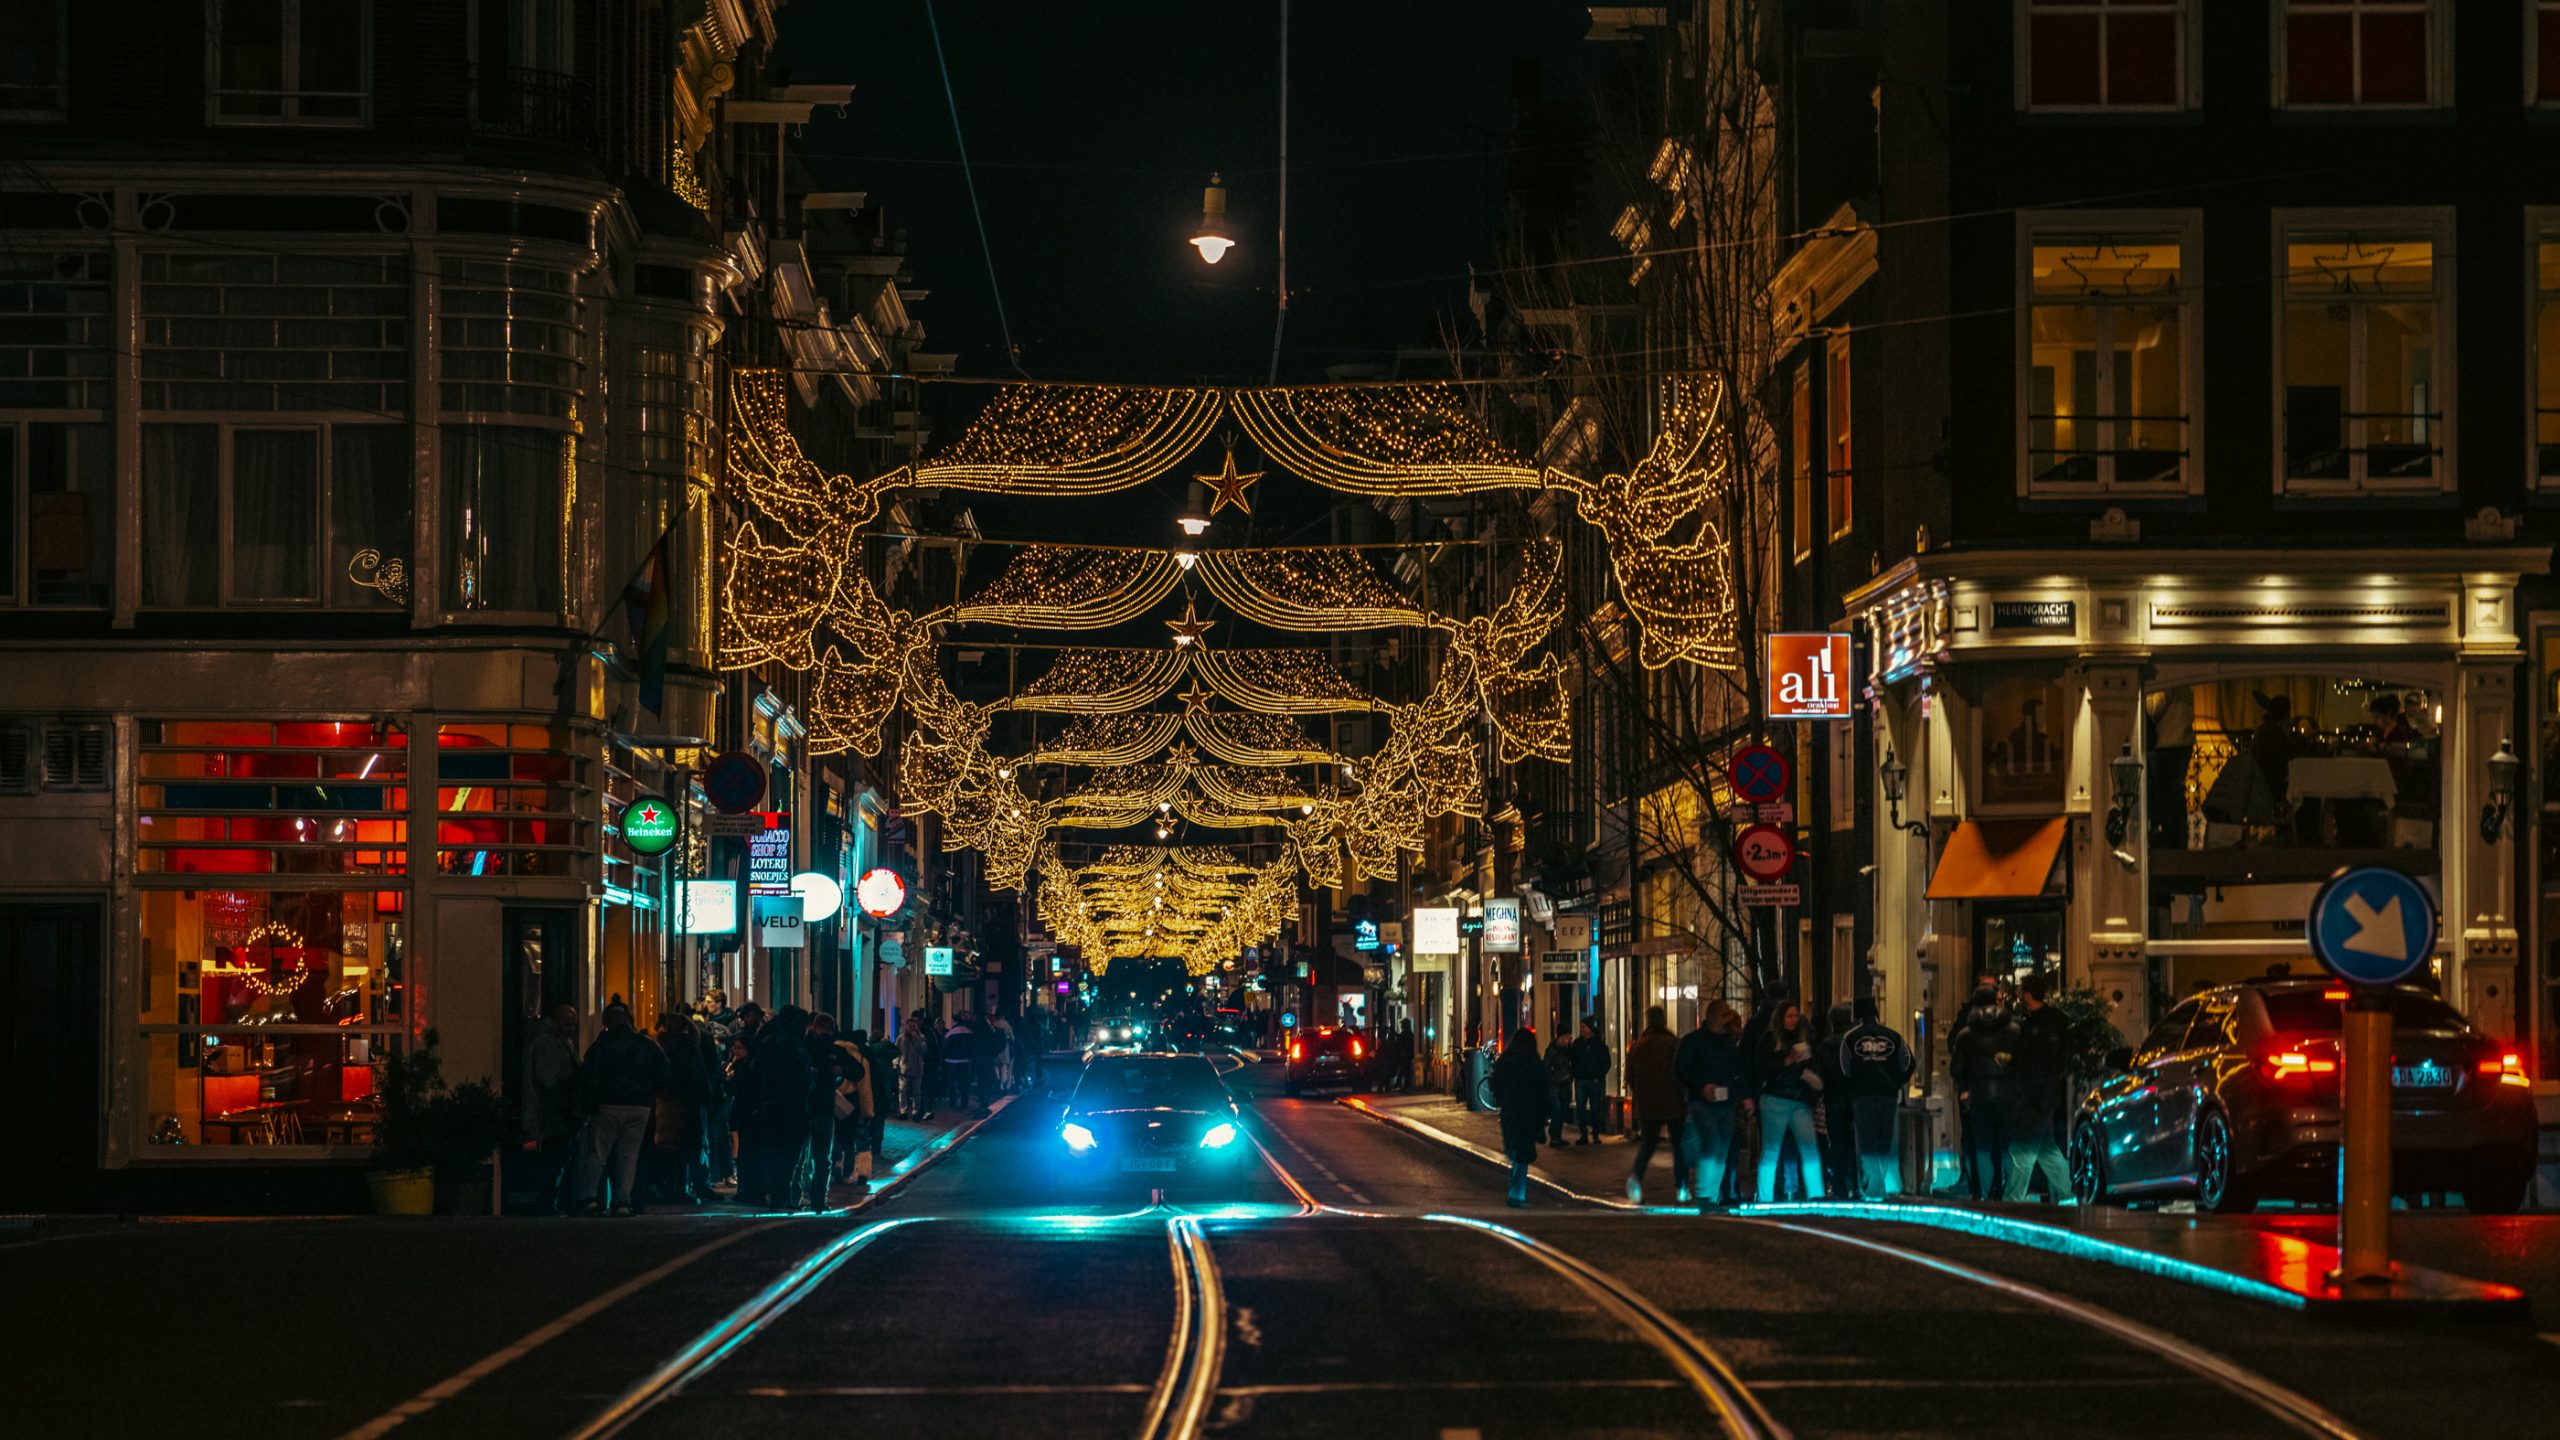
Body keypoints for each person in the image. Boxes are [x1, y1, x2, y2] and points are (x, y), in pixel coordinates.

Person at [572, 1002, 668, 1216]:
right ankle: (622, 1200)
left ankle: (588, 1197)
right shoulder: (646, 1044)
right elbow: (663, 1072)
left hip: (608, 1104)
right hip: (639, 1106)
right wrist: (648, 1092)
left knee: (597, 1152)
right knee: (629, 1155)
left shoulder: (602, 1046)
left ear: (607, 1023)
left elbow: (588, 1074)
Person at [2004, 972, 2073, 1203]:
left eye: (2021, 990)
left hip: (2036, 1096)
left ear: (2027, 994)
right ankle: (2067, 1194)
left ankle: (2013, 1199)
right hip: (2042, 1096)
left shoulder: (2039, 1024)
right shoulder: (2049, 1022)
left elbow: (2039, 1062)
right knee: (2046, 1149)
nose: (2018, 995)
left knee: (2022, 1149)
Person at [1838, 998, 1916, 1199]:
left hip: (1863, 1097)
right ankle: (1882, 1183)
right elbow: (1908, 1062)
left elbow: (1844, 1068)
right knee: (1884, 1140)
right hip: (1888, 1096)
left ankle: (1873, 1188)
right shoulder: (1894, 1036)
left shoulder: (1850, 1038)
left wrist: (1854, 1087)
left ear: (1858, 1015)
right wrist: (1895, 1082)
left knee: (1866, 1142)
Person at [1675, 1000, 1748, 1209]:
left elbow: (1738, 1070)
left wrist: (1739, 1094)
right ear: (1714, 1017)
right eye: (1725, 1015)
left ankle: (1712, 1194)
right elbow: (1681, 1070)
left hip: (1726, 1102)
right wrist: (1701, 1088)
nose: (1729, 1018)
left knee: (1722, 1148)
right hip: (1702, 1102)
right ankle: (1705, 1194)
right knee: (1712, 1142)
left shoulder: (1728, 1042)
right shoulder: (1694, 1041)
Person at [1754, 1002, 1826, 1202]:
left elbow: (1813, 1064)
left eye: (1795, 1016)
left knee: (1809, 1147)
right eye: (1789, 1016)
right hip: (1776, 1099)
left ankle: (1816, 1193)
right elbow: (1761, 1068)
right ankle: (1765, 1196)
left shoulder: (1804, 1038)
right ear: (1781, 1018)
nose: (1793, 1020)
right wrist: (1785, 1062)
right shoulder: (1769, 1040)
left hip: (1798, 1100)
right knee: (1771, 1149)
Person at [740, 1007, 811, 1209]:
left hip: (770, 1105)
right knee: (789, 1153)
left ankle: (777, 1193)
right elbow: (804, 1080)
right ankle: (783, 1193)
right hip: (792, 1107)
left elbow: (758, 1074)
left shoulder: (768, 1044)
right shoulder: (797, 1048)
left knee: (774, 1151)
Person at [1950, 986, 2013, 1200]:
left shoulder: (1966, 1034)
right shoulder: (2014, 1029)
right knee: (2006, 1144)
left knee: (1982, 1144)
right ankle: (2009, 1189)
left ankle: (1985, 1191)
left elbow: (1956, 1068)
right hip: (2008, 1094)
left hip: (1977, 1094)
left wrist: (1966, 1086)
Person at [518, 1003, 580, 1214]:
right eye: (566, 1022)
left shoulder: (559, 1041)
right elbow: (549, 1080)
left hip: (554, 1113)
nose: (571, 1027)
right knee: (553, 1158)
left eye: (573, 1023)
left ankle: (548, 1200)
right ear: (554, 1021)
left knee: (556, 1158)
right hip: (551, 1114)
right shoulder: (548, 1043)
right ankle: (545, 1201)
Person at [652, 1010, 716, 1205]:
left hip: (663, 1103)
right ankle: (680, 1188)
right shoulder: (689, 1047)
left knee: (666, 1147)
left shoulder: (659, 1045)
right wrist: (706, 1097)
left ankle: (664, 1187)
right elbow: (699, 1076)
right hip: (686, 1103)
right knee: (684, 1148)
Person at [1624, 1005, 1686, 1204]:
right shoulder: (1672, 1043)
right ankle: (1682, 1186)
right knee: (1678, 1147)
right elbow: (1681, 1072)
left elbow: (1630, 1077)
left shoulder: (1639, 1046)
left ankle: (1636, 1177)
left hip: (1648, 1104)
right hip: (1674, 1103)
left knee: (1648, 1145)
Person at [1490, 1026, 1552, 1208]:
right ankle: (1517, 1193)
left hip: (1511, 1110)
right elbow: (1543, 1089)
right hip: (1529, 1112)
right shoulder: (1534, 1062)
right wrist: (1544, 1113)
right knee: (1523, 1153)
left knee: (1515, 1149)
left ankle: (1516, 1190)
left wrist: (1502, 1099)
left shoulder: (1506, 1060)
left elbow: (1495, 1083)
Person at [803, 1012, 853, 1210]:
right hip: (809, 1107)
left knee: (822, 1157)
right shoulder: (806, 1047)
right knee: (808, 1157)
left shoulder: (834, 1049)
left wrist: (841, 1069)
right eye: (821, 1028)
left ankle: (818, 1198)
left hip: (822, 1108)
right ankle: (804, 1194)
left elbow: (856, 1069)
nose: (824, 1032)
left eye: (827, 1029)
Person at [1815, 1002, 1860, 1197]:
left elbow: (1823, 1072)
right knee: (1855, 1143)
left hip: (1835, 1100)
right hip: (1856, 1098)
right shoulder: (1856, 1041)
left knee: (1837, 1144)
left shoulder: (1828, 1044)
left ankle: (1839, 1185)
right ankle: (1857, 1185)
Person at [1568, 1017, 1610, 1144]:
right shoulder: (1577, 1044)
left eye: (1584, 1027)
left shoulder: (1598, 1044)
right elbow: (1572, 1059)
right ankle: (1584, 1134)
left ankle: (1595, 1133)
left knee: (1595, 1108)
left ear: (1590, 1029)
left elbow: (1606, 1062)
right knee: (1581, 1108)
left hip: (1594, 1081)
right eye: (1581, 1027)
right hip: (1581, 1080)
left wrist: (1599, 1075)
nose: (1581, 1029)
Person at [1541, 1029, 1576, 1146]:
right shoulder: (1552, 1050)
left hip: (1565, 1084)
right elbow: (1546, 1066)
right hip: (1555, 1085)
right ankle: (1554, 1137)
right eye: (1567, 1037)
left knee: (1562, 1111)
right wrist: (1552, 1078)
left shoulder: (1568, 1050)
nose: (1569, 1040)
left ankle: (1557, 1136)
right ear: (1561, 1037)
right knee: (1557, 1111)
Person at [940, 1013, 977, 1113]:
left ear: (953, 1021)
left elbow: (945, 1048)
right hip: (965, 1062)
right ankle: (964, 1102)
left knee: (952, 1083)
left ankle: (953, 1101)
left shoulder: (950, 1034)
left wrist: (945, 1057)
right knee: (964, 1083)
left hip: (951, 1062)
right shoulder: (969, 1032)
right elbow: (973, 1047)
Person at [899, 1013, 933, 1119]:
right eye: (909, 1026)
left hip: (917, 1068)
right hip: (904, 1068)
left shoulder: (921, 1037)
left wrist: (915, 1037)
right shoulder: (902, 1038)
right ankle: (903, 1111)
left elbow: (923, 1050)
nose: (911, 1028)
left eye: (913, 1026)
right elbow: (898, 1050)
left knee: (916, 1092)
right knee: (902, 1090)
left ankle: (915, 1111)